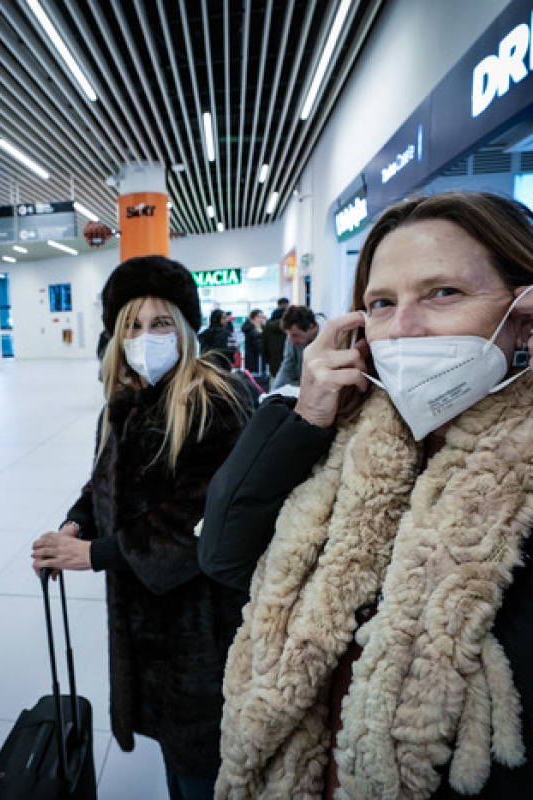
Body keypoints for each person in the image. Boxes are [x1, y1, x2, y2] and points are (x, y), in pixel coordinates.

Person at [198, 191, 533, 799]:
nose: (402, 329)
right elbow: (223, 554)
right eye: (382, 303)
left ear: (525, 312)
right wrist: (306, 415)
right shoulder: (344, 431)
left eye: (443, 293)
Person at [31, 255, 252, 800]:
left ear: (183, 330)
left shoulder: (213, 402)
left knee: (204, 761)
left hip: (200, 625)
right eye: (133, 325)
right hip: (145, 621)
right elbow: (102, 479)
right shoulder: (125, 401)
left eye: (160, 324)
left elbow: (202, 521)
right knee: (174, 756)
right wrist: (77, 522)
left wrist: (99, 554)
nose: (145, 337)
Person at [271, 305, 319, 389]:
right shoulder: (292, 336)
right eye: (289, 335)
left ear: (311, 327)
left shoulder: (331, 339)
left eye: (295, 335)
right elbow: (288, 367)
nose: (291, 340)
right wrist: (273, 394)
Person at [241, 309, 266, 374]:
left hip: (259, 361)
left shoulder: (261, 328)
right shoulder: (251, 329)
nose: (260, 319)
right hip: (253, 360)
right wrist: (260, 333)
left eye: (261, 317)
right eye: (258, 317)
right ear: (252, 318)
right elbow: (258, 346)